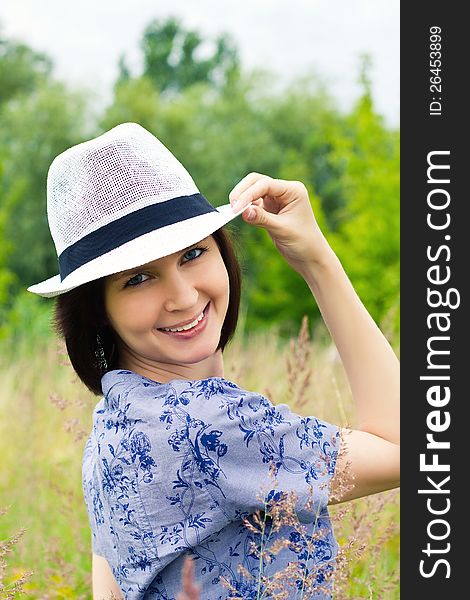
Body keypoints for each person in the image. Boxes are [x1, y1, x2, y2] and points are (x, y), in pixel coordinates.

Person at [28, 123, 400, 599]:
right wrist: (317, 261)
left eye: (193, 254)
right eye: (138, 279)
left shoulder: (114, 425)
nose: (183, 297)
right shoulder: (207, 425)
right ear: (98, 309)